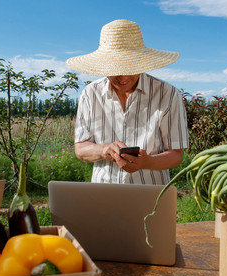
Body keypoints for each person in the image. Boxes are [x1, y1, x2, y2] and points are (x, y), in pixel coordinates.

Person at [66, 19, 189, 185]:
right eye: (115, 69)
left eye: (129, 68)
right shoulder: (90, 94)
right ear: (103, 66)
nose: (123, 78)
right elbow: (80, 149)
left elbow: (176, 154)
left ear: (141, 62)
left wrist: (147, 162)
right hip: (103, 194)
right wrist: (104, 149)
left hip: (151, 195)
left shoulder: (167, 94)